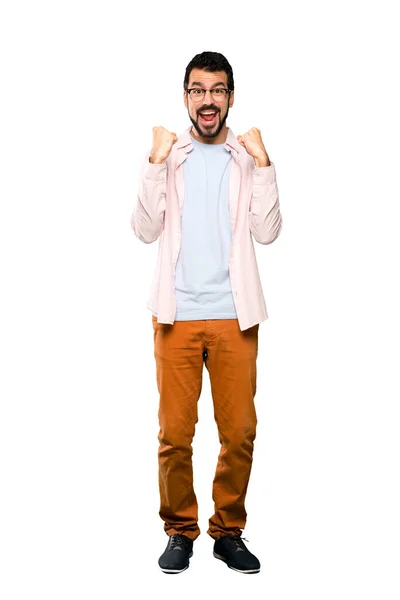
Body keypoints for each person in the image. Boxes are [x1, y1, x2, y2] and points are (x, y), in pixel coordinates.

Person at [131, 51, 283, 574]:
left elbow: (267, 232)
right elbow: (145, 229)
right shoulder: (170, 157)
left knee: (239, 431)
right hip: (175, 315)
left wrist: (264, 164)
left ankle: (228, 531)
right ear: (186, 98)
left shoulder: (245, 157)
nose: (208, 100)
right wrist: (153, 163)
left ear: (231, 97)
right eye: (198, 90)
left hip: (234, 316)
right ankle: (179, 530)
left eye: (217, 90)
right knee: (175, 434)